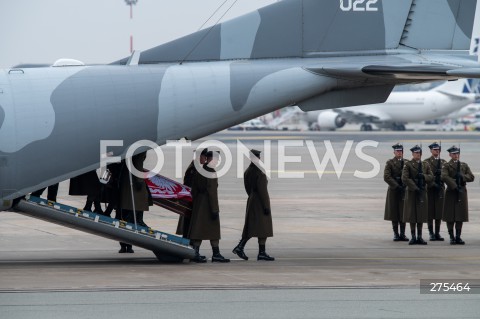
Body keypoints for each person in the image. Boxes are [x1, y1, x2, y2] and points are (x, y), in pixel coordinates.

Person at [187, 151, 230, 263]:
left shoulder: (200, 170)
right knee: (213, 230)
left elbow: (194, 189)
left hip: (199, 204)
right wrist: (215, 209)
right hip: (208, 205)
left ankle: (194, 252)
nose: (216, 162)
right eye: (215, 159)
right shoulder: (210, 172)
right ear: (209, 159)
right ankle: (216, 254)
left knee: (198, 230)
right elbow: (212, 192)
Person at [233, 149, 274, 261]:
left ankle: (241, 247)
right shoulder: (259, 171)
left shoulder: (247, 171)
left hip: (251, 199)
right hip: (259, 202)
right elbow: (263, 190)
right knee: (263, 227)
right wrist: (266, 205)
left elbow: (247, 188)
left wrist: (252, 196)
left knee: (252, 226)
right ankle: (260, 252)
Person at [118, 152, 151, 253]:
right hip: (133, 183)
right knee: (133, 217)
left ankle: (124, 245)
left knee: (124, 217)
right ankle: (129, 244)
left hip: (126, 181)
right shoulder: (140, 149)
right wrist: (140, 180)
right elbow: (138, 165)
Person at [441, 146, 475, 245]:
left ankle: (458, 236)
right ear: (450, 155)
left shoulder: (464, 165)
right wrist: (454, 184)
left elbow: (471, 177)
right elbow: (444, 176)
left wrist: (463, 177)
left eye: (457, 153)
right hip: (452, 191)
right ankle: (451, 236)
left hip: (461, 191)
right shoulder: (446, 165)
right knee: (450, 215)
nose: (456, 155)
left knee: (460, 215)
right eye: (454, 154)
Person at [402, 145, 433, 245]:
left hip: (422, 191)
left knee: (420, 214)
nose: (418, 155)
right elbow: (405, 178)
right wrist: (415, 187)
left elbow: (431, 176)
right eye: (416, 153)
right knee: (412, 215)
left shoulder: (425, 164)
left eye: (419, 153)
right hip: (412, 192)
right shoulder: (408, 164)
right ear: (412, 154)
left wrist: (423, 176)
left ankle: (419, 236)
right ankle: (413, 236)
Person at [176, 148, 208, 237]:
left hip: (191, 200)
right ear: (200, 156)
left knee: (189, 223)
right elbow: (189, 186)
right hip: (190, 201)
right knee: (187, 223)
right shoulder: (193, 169)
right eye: (204, 157)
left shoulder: (195, 167)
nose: (205, 160)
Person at [383, 143, 409, 241]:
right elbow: (386, 176)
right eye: (397, 151)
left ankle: (402, 233)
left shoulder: (407, 162)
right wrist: (396, 185)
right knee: (394, 212)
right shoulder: (390, 163)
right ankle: (396, 233)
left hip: (404, 190)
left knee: (403, 212)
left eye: (401, 151)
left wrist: (405, 185)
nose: (399, 153)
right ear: (394, 152)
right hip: (394, 190)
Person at [423, 142, 446, 241]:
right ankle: (431, 233)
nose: (437, 151)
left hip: (440, 189)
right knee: (430, 212)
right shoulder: (426, 162)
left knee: (438, 212)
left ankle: (437, 233)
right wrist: (432, 184)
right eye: (435, 149)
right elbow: (424, 176)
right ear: (431, 150)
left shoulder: (444, 162)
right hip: (430, 189)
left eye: (438, 150)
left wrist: (441, 177)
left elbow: (447, 175)